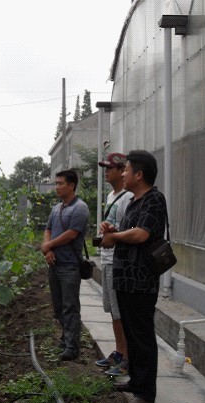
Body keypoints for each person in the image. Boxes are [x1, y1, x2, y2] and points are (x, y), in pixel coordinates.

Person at [100, 150, 167, 403]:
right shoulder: (135, 202)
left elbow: (141, 235)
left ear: (139, 174)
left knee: (142, 336)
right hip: (126, 280)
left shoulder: (153, 200)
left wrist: (114, 237)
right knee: (131, 333)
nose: (123, 174)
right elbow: (130, 232)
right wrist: (114, 231)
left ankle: (146, 394)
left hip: (141, 281)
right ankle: (137, 381)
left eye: (126, 169)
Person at [41, 169, 89, 361]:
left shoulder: (80, 208)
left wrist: (48, 245)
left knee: (70, 306)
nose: (57, 187)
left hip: (70, 266)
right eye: (56, 183)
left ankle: (72, 347)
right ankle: (65, 338)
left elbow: (71, 234)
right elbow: (48, 229)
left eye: (60, 183)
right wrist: (48, 250)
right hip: (54, 264)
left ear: (71, 185)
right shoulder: (56, 209)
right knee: (58, 306)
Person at [94, 153, 133, 377]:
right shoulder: (111, 195)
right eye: (105, 168)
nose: (106, 172)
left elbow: (130, 230)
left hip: (119, 260)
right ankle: (119, 352)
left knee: (121, 312)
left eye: (110, 168)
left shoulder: (128, 197)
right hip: (107, 258)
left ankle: (127, 357)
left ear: (121, 171)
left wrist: (114, 233)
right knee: (112, 310)